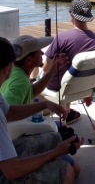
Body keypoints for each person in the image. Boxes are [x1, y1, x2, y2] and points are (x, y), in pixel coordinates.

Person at [0, 37, 84, 184]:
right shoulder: (19, 82)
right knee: (68, 171)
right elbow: (12, 171)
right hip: (7, 167)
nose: (43, 54)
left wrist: (45, 105)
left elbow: (9, 111)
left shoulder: (15, 79)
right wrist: (55, 153)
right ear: (8, 68)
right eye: (39, 51)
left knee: (54, 138)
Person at [43, 0, 95, 125]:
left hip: (56, 87)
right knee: (70, 72)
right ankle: (67, 110)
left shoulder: (62, 38)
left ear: (71, 14)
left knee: (41, 67)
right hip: (81, 87)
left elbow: (45, 68)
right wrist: (89, 93)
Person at [0, 35, 68, 105]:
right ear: (29, 60)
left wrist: (51, 72)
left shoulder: (14, 71)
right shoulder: (21, 82)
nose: (42, 53)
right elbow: (8, 113)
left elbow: (30, 92)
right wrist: (44, 105)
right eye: (39, 51)